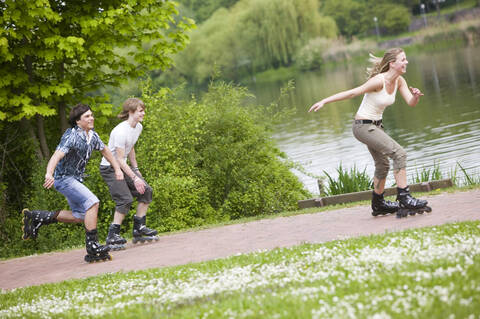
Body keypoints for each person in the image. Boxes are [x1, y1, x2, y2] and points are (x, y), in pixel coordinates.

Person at [309, 48, 431, 217]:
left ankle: (378, 203)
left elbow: (410, 102)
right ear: (392, 63)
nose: (406, 62)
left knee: (383, 165)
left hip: (375, 127)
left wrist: (416, 96)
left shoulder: (399, 81)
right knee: (399, 154)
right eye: (403, 60)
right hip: (363, 126)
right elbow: (353, 92)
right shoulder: (378, 81)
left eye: (406, 59)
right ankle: (405, 197)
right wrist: (325, 100)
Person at [22, 103, 124, 262]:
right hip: (63, 179)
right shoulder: (72, 136)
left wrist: (117, 168)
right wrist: (49, 173)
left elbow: (105, 150)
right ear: (78, 121)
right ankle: (93, 246)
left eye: (91, 115)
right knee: (93, 202)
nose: (91, 118)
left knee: (81, 215)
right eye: (87, 116)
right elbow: (56, 156)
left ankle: (38, 217)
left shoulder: (92, 136)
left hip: (75, 179)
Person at [100, 98, 158, 249]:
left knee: (146, 190)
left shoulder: (138, 127)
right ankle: (112, 236)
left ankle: (139, 229)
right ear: (131, 112)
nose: (143, 113)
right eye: (140, 111)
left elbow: (130, 148)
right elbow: (118, 159)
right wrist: (134, 177)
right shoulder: (120, 131)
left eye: (143, 110)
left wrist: (136, 170)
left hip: (123, 165)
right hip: (110, 168)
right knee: (125, 200)